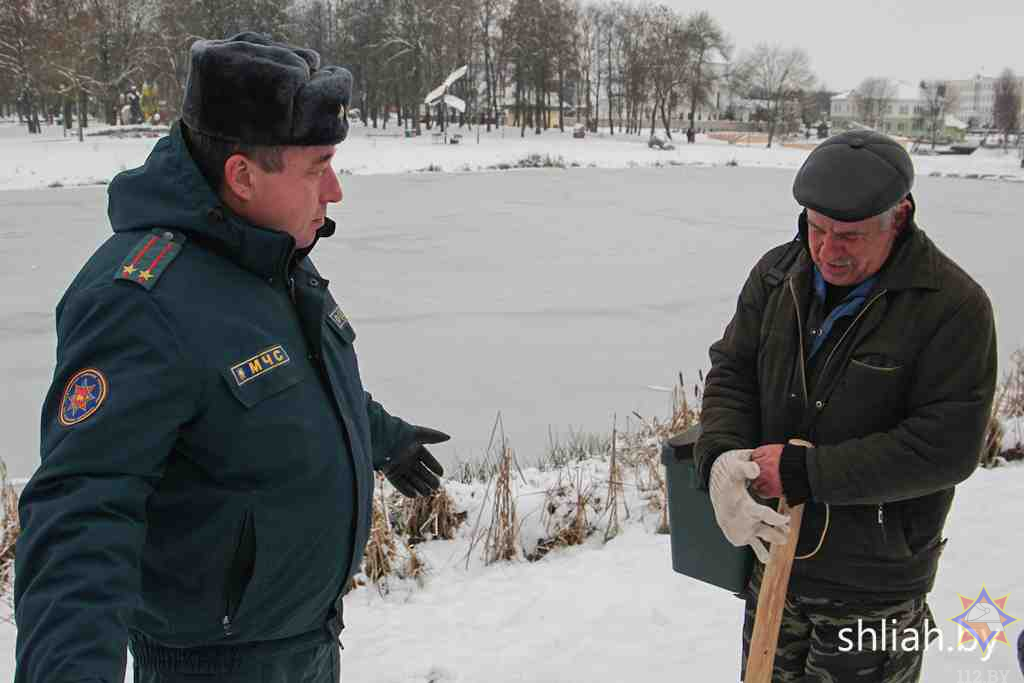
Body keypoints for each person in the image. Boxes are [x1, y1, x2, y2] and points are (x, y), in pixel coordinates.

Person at [14, 32, 449, 683]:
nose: (334, 191)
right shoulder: (140, 301)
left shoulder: (268, 254)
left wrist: (382, 436)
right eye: (317, 166)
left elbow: (294, 382)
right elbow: (81, 514)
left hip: (307, 645)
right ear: (242, 175)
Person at [695, 130, 997, 682]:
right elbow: (734, 372)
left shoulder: (953, 308)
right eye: (818, 229)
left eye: (851, 236)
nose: (829, 250)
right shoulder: (776, 275)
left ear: (898, 217)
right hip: (776, 566)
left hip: (875, 586)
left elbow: (945, 447)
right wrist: (719, 458)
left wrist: (804, 471)